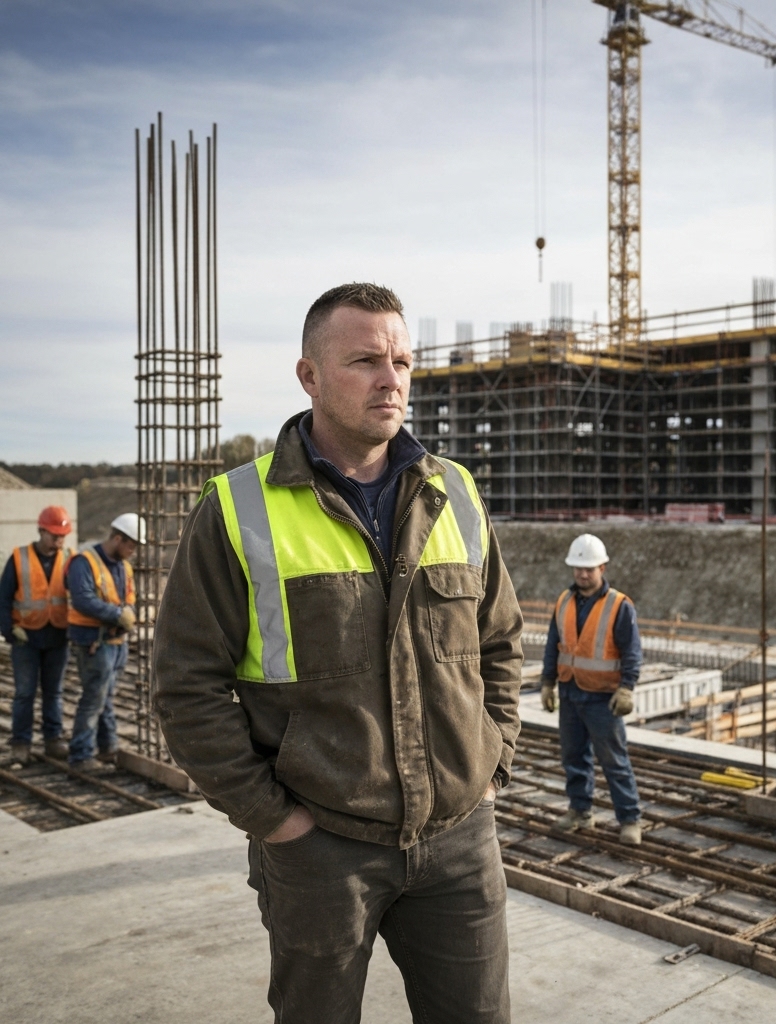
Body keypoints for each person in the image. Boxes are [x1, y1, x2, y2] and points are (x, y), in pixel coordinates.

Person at [153, 282, 523, 1024]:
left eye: (403, 361)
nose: (393, 380)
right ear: (310, 376)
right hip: (322, 848)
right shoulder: (237, 508)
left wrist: (492, 764)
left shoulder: (455, 491)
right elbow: (186, 686)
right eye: (365, 361)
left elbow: (500, 642)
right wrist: (274, 819)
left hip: (457, 841)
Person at [540, 533, 644, 845]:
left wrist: (627, 688)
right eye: (578, 568)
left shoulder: (619, 606)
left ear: (603, 567)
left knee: (614, 760)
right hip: (571, 692)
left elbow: (632, 652)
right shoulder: (564, 601)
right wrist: (547, 683)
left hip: (602, 698)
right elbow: (552, 646)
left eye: (589, 569)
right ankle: (580, 811)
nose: (583, 574)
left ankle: (629, 818)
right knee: (574, 757)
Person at [65, 513, 142, 769]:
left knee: (106, 696)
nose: (132, 552)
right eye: (131, 545)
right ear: (117, 538)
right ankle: (81, 755)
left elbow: (129, 595)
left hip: (116, 643)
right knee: (93, 698)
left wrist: (128, 609)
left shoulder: (124, 566)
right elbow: (83, 599)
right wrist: (119, 614)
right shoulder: (84, 562)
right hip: (93, 642)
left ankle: (107, 748)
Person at [0, 505, 75, 762]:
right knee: (24, 693)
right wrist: (9, 631)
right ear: (41, 530)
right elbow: (4, 599)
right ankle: (20, 744)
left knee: (54, 693)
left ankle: (53, 740)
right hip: (26, 639)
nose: (59, 540)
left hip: (58, 637)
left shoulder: (69, 558)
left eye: (62, 536)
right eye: (54, 535)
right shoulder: (19, 558)